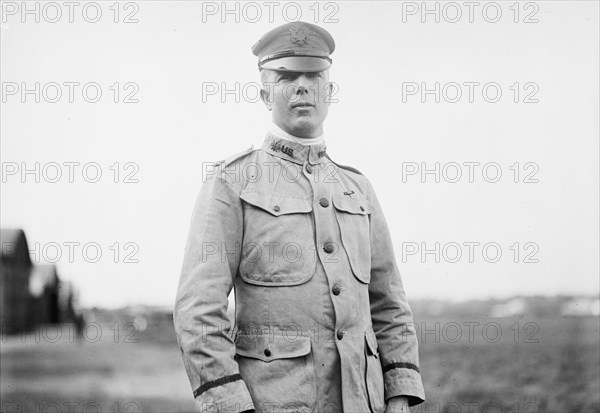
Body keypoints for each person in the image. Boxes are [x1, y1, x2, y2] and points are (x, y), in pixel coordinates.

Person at [174, 21, 425, 413]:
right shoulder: (232, 183)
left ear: (330, 90)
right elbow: (198, 312)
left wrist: (399, 397)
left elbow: (391, 308)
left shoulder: (358, 190)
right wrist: (233, 406)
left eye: (314, 75)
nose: (303, 86)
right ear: (264, 92)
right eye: (287, 76)